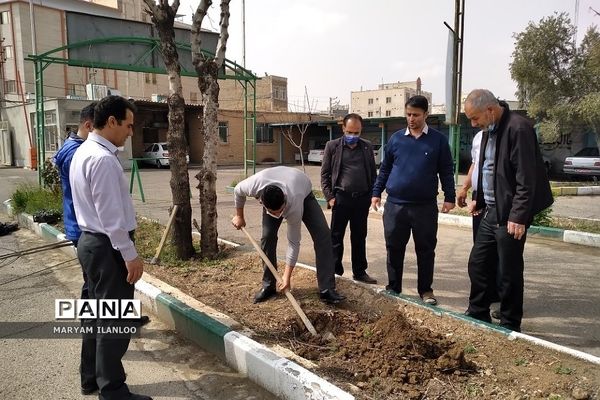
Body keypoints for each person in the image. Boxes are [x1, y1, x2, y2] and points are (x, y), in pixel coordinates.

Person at [70, 96, 152, 400]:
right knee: (114, 319)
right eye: (128, 125)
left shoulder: (84, 151)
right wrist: (129, 254)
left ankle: (90, 379)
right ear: (113, 122)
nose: (131, 132)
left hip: (90, 243)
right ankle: (113, 390)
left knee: (95, 313)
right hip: (107, 247)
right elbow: (111, 217)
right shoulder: (102, 159)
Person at [463, 89, 553, 332]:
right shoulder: (489, 130)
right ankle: (478, 312)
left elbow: (527, 177)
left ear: (490, 110)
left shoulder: (518, 128)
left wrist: (519, 215)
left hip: (511, 213)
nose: (473, 124)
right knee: (478, 263)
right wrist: (479, 200)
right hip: (491, 210)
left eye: (475, 118)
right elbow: (488, 169)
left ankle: (510, 323)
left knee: (509, 271)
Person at [371, 95, 455, 305]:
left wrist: (449, 196)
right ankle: (394, 287)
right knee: (394, 247)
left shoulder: (438, 140)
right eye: (408, 114)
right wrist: (376, 192)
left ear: (426, 114)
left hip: (424, 207)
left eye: (416, 115)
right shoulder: (396, 139)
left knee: (425, 250)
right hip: (396, 205)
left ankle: (425, 290)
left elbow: (446, 170)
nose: (411, 119)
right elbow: (385, 169)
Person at [231, 166, 347, 305]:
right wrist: (239, 216)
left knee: (323, 234)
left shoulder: (294, 202)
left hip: (303, 191)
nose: (278, 216)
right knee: (267, 237)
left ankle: (327, 290)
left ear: (284, 201)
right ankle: (269, 286)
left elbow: (293, 242)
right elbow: (238, 191)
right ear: (262, 201)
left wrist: (286, 277)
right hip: (279, 186)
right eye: (273, 213)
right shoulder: (254, 185)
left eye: (280, 211)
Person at [320, 113, 377, 284]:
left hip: (361, 200)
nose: (353, 136)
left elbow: (373, 175)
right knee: (336, 237)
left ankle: (359, 272)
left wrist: (373, 195)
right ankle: (335, 271)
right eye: (350, 132)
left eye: (357, 133)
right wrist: (330, 197)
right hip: (341, 199)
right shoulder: (333, 146)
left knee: (359, 237)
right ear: (343, 128)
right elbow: (325, 175)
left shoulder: (366, 147)